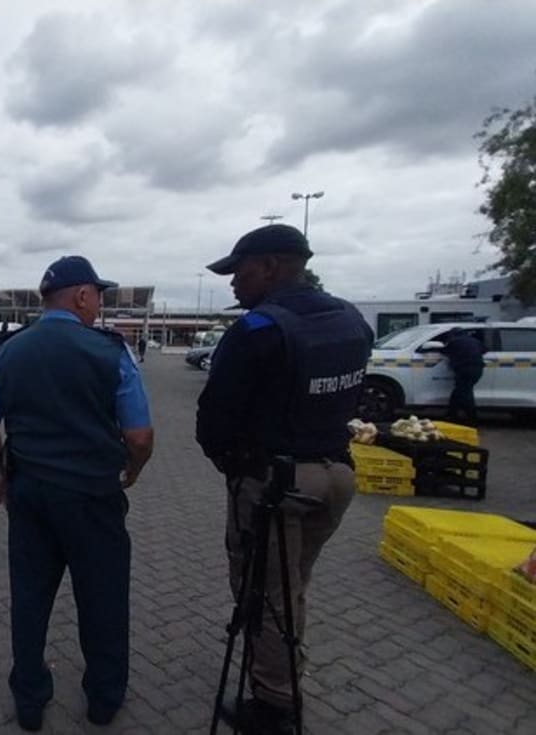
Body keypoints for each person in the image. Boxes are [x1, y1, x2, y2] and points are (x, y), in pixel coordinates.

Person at [196, 224, 373, 734]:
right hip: (336, 476)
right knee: (293, 582)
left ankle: (274, 707)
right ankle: (286, 669)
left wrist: (236, 468)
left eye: (240, 272)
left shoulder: (257, 330)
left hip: (276, 487)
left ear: (271, 267)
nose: (233, 284)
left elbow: (215, 419)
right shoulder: (351, 320)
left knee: (266, 594)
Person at [0, 255, 155, 732]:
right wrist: (132, 472)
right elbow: (138, 437)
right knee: (103, 598)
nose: (99, 304)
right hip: (92, 496)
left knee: (29, 596)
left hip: (29, 493)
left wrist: (0, 470)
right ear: (80, 295)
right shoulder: (111, 351)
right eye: (98, 295)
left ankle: (30, 700)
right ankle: (103, 700)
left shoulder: (9, 351)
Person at [442, 328, 486, 426]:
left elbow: (444, 351)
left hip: (464, 369)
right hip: (477, 369)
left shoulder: (454, 342)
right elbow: (484, 350)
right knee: (460, 391)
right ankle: (451, 414)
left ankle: (472, 418)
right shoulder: (475, 341)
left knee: (465, 393)